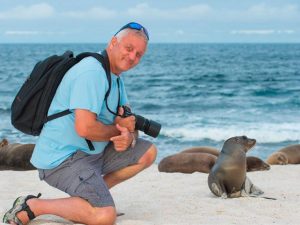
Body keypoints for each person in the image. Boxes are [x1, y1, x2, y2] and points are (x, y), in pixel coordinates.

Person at [3, 22, 157, 225]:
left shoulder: (116, 79)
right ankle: (33, 206)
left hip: (93, 154)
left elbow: (127, 123)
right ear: (113, 43)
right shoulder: (91, 72)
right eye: (129, 49)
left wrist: (128, 135)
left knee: (148, 152)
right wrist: (117, 133)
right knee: (104, 216)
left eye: (138, 54)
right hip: (63, 159)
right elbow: (85, 128)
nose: (132, 57)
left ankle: (91, 197)